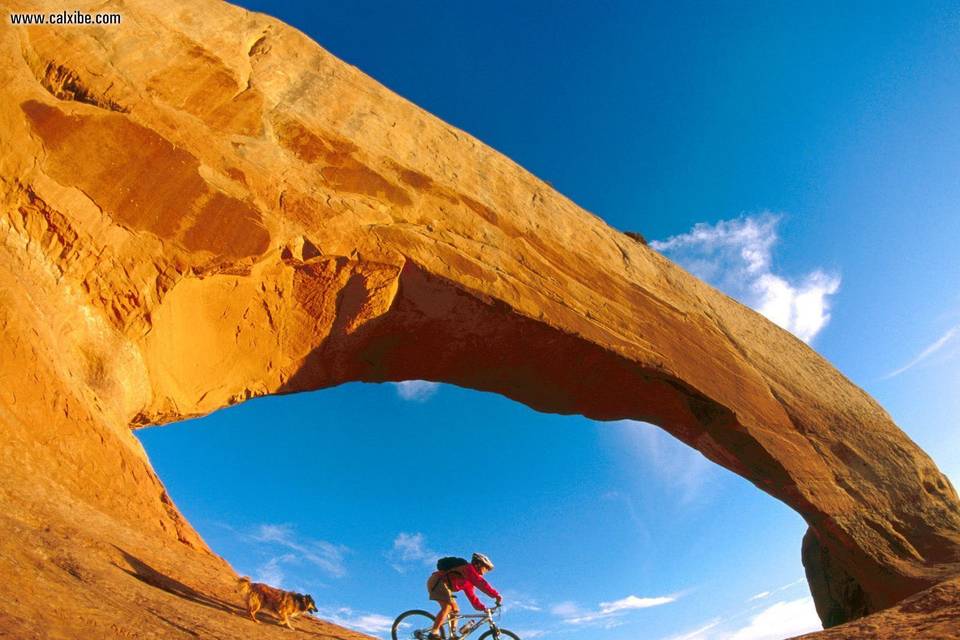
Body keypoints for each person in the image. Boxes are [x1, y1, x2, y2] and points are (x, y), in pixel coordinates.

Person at [426, 553, 502, 639]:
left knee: (455, 610)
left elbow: (473, 598)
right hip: (437, 581)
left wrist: (483, 608)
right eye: (486, 568)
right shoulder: (467, 568)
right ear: (478, 564)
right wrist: (496, 595)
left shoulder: (468, 582)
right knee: (447, 607)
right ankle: (434, 632)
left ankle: (452, 636)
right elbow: (481, 582)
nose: (485, 572)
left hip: (446, 587)